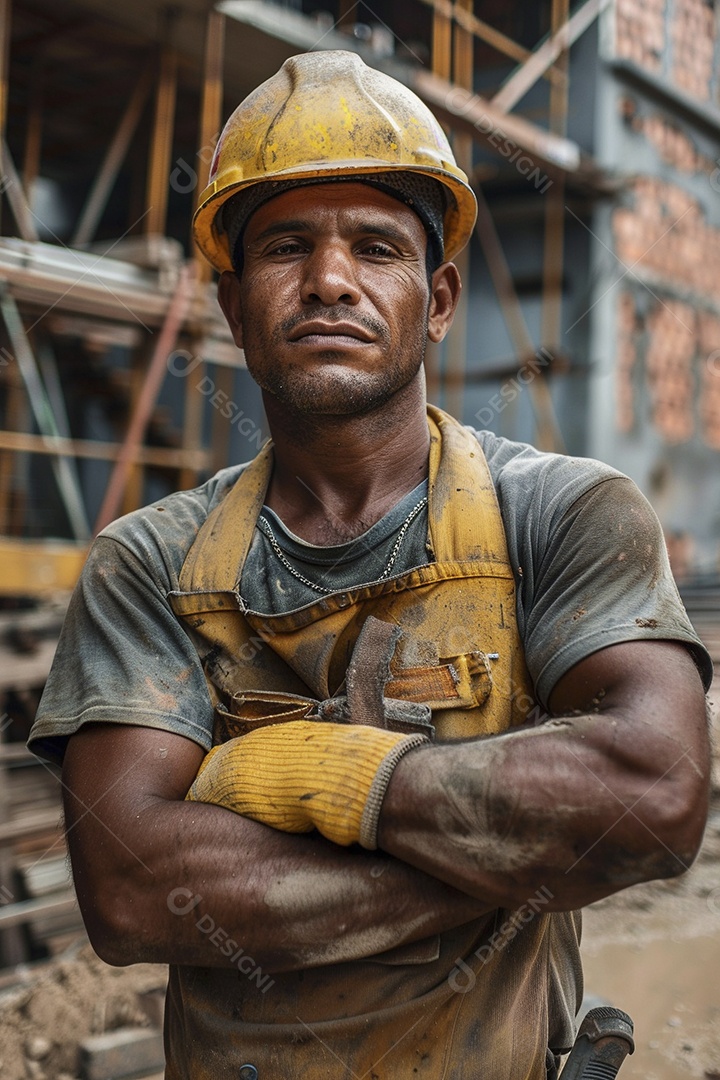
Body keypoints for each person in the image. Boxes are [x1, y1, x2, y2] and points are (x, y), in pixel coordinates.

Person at [29, 50, 712, 1080]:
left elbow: (652, 798)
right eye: (287, 246)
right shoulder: (151, 564)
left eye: (377, 247)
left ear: (436, 299)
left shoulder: (562, 515)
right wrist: (517, 866)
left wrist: (334, 780)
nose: (331, 280)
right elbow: (131, 891)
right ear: (233, 306)